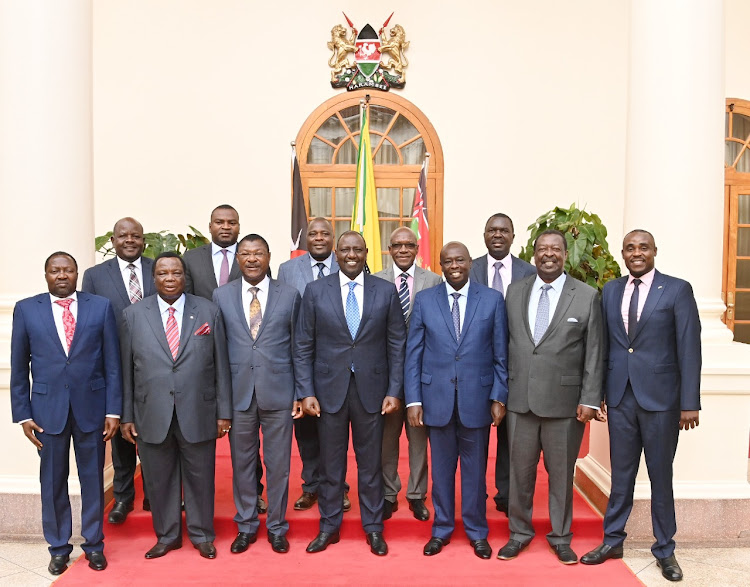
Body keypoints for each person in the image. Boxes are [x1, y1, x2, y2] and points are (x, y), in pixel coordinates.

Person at [581, 230, 701, 582]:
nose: (637, 253)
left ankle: (665, 549)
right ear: (622, 253)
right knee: (621, 477)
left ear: (654, 252)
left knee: (661, 477)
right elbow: (604, 346)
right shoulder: (612, 290)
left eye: (643, 247)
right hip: (620, 398)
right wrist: (598, 393)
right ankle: (612, 540)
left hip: (662, 401)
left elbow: (689, 347)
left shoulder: (677, 289)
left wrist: (689, 402)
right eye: (630, 248)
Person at [294, 231, 406, 556]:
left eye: (358, 249)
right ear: (336, 253)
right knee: (331, 464)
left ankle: (373, 528)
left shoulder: (386, 291)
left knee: (370, 464)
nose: (352, 254)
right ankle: (329, 527)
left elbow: (397, 344)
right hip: (328, 391)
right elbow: (303, 345)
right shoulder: (316, 291)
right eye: (345, 249)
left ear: (367, 252)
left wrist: (395, 389)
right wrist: (306, 391)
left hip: (373, 391)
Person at [10, 252, 122, 575]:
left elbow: (112, 365)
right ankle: (58, 548)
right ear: (46, 275)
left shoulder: (99, 307)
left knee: (92, 480)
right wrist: (23, 414)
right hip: (47, 413)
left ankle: (94, 545)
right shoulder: (27, 310)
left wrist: (113, 409)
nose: (62, 275)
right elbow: (20, 368)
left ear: (76, 273)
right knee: (53, 481)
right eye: (55, 271)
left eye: (68, 270)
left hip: (93, 409)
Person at [497, 229, 603, 565]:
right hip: (520, 401)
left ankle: (560, 537)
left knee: (561, 475)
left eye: (555, 249)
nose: (548, 254)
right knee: (520, 473)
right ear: (534, 253)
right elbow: (504, 346)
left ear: (565, 253)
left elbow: (595, 353)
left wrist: (589, 398)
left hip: (565, 404)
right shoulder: (515, 292)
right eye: (542, 248)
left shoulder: (586, 295)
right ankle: (519, 534)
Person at [120, 252, 232, 560]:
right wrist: (127, 415)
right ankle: (167, 536)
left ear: (185, 277)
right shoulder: (133, 315)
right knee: (159, 479)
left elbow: (221, 363)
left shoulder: (208, 311)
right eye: (163, 273)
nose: (170, 278)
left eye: (176, 273)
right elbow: (126, 370)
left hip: (198, 410)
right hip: (151, 412)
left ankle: (202, 534)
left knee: (201, 477)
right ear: (153, 278)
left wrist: (224, 412)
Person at [404, 241, 508, 559]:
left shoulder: (491, 300)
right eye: (447, 261)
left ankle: (477, 531)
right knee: (442, 472)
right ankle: (442, 529)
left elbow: (500, 353)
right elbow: (414, 354)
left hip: (477, 399)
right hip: (436, 399)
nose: (454, 266)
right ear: (441, 265)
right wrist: (413, 400)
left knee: (476, 473)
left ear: (470, 263)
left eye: (460, 260)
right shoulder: (425, 300)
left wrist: (499, 396)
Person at [213, 234, 301, 555]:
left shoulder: (289, 295)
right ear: (237, 258)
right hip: (238, 396)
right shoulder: (220, 296)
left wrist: (301, 393)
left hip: (279, 394)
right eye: (245, 254)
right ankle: (246, 525)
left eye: (258, 253)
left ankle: (277, 527)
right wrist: (221, 401)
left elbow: (298, 348)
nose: (252, 259)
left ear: (268, 257)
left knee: (279, 465)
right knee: (242, 464)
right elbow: (219, 353)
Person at [183, 204, 265, 513]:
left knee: (247, 435)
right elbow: (186, 303)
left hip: (243, 357)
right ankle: (192, 495)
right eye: (220, 222)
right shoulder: (191, 260)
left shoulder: (253, 258)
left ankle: (253, 492)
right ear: (210, 226)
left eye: (232, 222)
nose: (226, 227)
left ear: (239, 226)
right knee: (194, 432)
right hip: (201, 357)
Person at [81, 217, 155, 523]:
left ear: (143, 240)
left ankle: (155, 494)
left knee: (156, 433)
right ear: (112, 241)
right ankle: (124, 498)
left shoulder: (159, 268)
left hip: (155, 366)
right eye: (123, 236)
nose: (129, 240)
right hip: (113, 365)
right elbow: (88, 320)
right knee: (121, 436)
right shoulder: (95, 276)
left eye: (135, 236)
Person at [276, 217, 349, 513]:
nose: (319, 238)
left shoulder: (347, 264)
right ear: (306, 238)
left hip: (339, 364)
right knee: (306, 432)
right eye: (313, 233)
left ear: (333, 238)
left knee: (336, 433)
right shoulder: (287, 270)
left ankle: (338, 487)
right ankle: (311, 486)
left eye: (325, 233)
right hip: (301, 360)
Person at [373, 227, 442, 522]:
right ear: (389, 248)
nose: (403, 249)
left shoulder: (434, 281)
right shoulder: (375, 280)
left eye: (408, 245)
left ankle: (417, 494)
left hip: (423, 376)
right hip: (385, 377)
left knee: (418, 440)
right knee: (386, 441)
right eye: (397, 245)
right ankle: (389, 494)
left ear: (417, 248)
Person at [470, 213, 535, 515]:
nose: (497, 235)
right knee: (477, 436)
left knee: (512, 437)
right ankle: (476, 494)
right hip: (477, 369)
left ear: (513, 235)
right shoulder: (468, 269)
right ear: (484, 235)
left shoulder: (531, 272)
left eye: (504, 230)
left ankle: (506, 496)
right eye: (492, 230)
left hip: (518, 369)